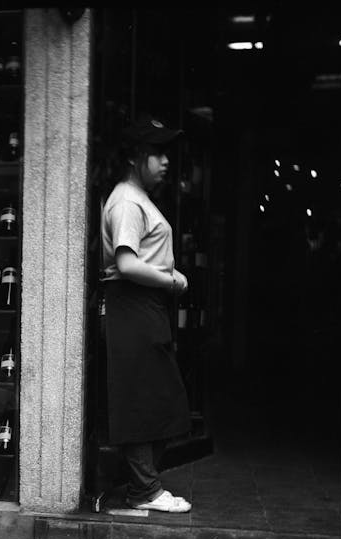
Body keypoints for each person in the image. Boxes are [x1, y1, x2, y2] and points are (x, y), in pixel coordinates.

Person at [99, 113, 193, 513]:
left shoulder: (136, 200)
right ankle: (145, 491)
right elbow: (127, 263)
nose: (165, 161)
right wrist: (172, 280)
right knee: (141, 397)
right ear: (136, 156)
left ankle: (144, 486)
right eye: (157, 153)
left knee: (160, 396)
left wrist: (170, 276)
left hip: (141, 305)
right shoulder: (127, 201)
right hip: (132, 303)